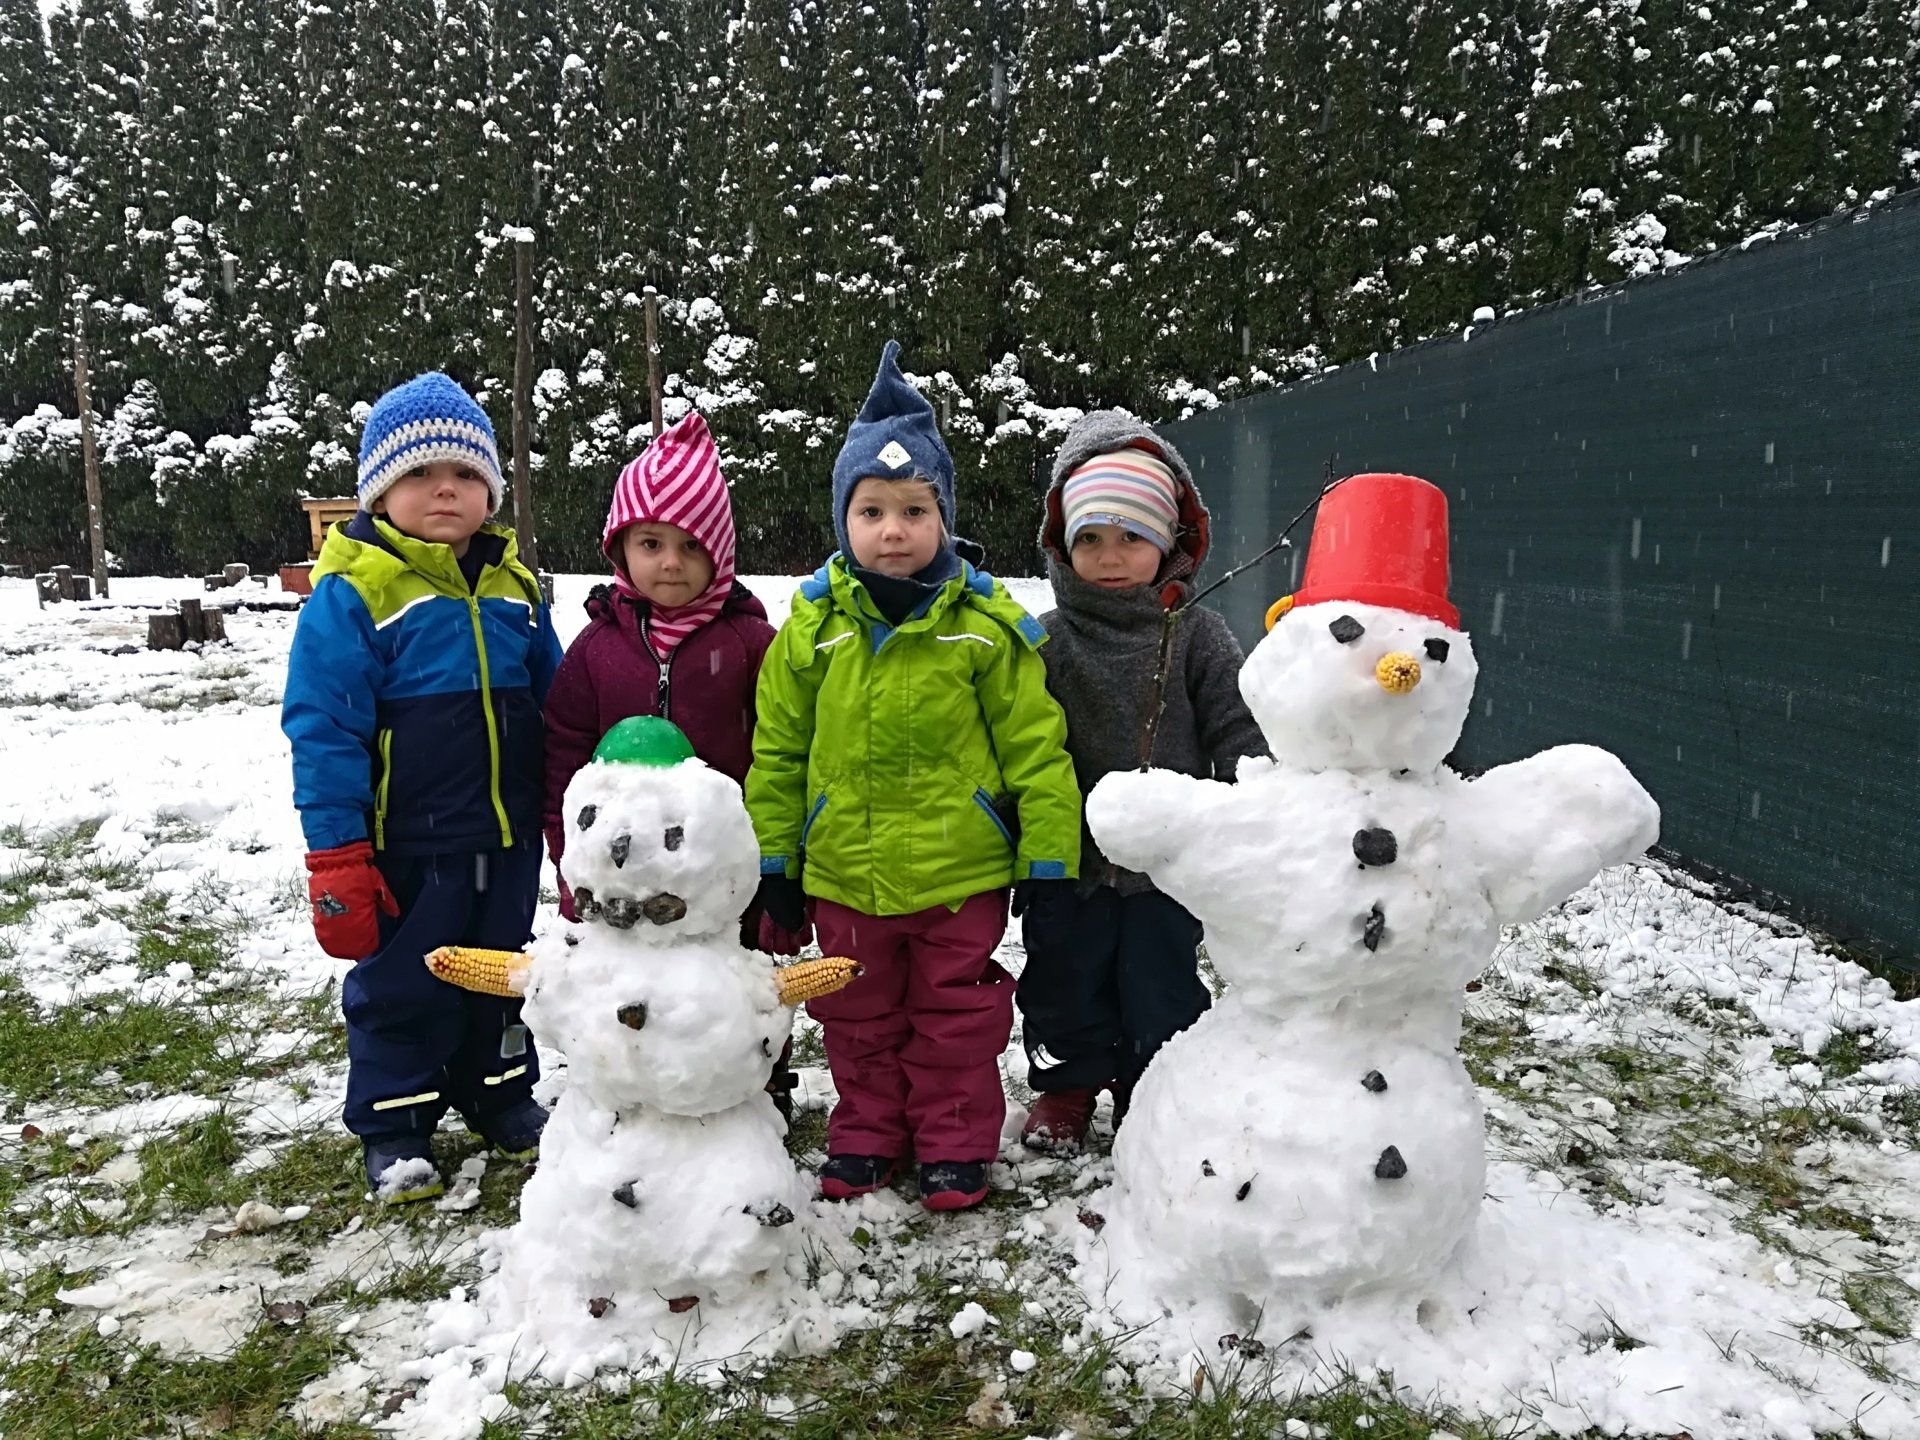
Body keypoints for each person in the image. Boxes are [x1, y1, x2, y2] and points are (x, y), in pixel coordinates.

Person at [745, 341, 1080, 1211]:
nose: (892, 530)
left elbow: (1037, 749)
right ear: (843, 520)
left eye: (913, 509)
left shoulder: (984, 630)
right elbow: (777, 755)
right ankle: (868, 1135)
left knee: (956, 1018)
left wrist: (1047, 856)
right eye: (871, 510)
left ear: (944, 517)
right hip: (845, 874)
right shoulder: (811, 632)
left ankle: (954, 1141)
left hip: (957, 875)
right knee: (856, 1017)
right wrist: (776, 861)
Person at [282, 371, 562, 1203]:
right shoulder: (355, 593)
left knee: (502, 973)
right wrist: (337, 853)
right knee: (405, 982)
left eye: (466, 473)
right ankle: (396, 1121)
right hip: (408, 842)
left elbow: (555, 705)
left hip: (504, 835)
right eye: (421, 473)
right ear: (378, 491)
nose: (446, 489)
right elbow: (324, 728)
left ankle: (500, 1093)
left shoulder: (515, 589)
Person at [1016, 410, 1268, 1156]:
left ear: (1168, 544)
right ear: (1062, 546)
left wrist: (1250, 810)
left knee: (1161, 986)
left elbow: (1237, 730)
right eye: (1090, 538)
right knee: (1063, 981)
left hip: (1168, 864)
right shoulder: (1045, 640)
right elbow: (1015, 739)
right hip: (1070, 859)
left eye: (1131, 536)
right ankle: (1067, 1088)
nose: (1110, 557)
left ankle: (1152, 1091)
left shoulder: (1196, 635)